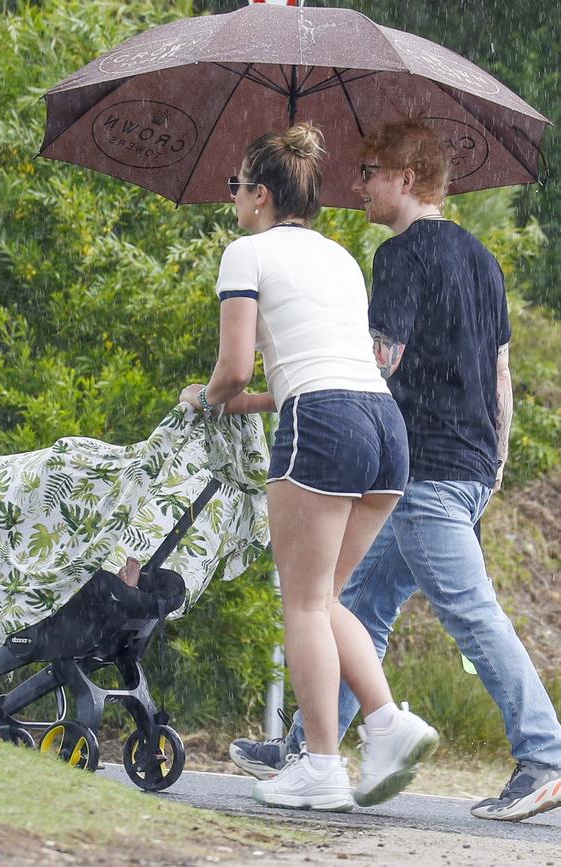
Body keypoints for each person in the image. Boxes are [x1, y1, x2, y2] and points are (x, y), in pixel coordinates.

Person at [229, 119, 561, 823]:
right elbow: (500, 373)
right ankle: (305, 746)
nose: (360, 185)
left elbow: (379, 359)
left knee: (469, 613)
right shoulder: (483, 259)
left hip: (421, 464)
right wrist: (493, 468)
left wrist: (268, 391)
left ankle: (546, 754)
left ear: (409, 179)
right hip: (464, 464)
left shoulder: (402, 255)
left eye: (372, 171)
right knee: (358, 605)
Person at [180, 123, 438, 812]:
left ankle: (321, 765)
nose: (232, 197)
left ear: (261, 194)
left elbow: (235, 368)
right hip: (385, 430)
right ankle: (387, 723)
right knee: (324, 600)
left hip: (323, 429)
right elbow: (316, 370)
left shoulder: (247, 252)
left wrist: (206, 400)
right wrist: (238, 403)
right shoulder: (341, 259)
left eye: (237, 185)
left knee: (301, 602)